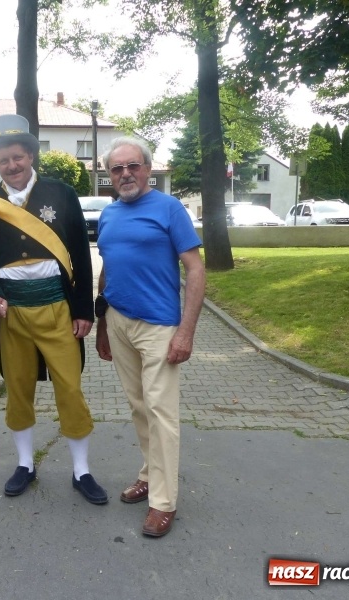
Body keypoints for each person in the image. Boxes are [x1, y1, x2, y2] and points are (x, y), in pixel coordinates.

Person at [0, 114, 107, 505]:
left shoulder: (61, 193)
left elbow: (80, 254)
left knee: (70, 389)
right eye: (3, 160)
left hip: (57, 308)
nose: (12, 165)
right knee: (18, 389)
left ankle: (81, 471)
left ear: (30, 155)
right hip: (11, 314)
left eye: (18, 157)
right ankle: (25, 464)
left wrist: (83, 310)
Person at [95, 136, 206, 537]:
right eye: (117, 168)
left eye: (133, 166)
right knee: (140, 407)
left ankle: (163, 501)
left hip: (159, 325)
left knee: (161, 412)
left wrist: (185, 332)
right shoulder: (109, 214)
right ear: (109, 175)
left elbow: (196, 270)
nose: (125, 174)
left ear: (147, 169)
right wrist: (103, 323)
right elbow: (108, 268)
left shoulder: (169, 208)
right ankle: (148, 473)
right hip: (118, 320)